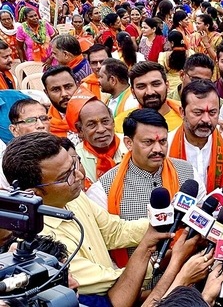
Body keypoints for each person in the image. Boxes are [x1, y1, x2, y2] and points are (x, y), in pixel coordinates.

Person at [2, 132, 170, 306]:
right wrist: (164, 260)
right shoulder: (40, 246)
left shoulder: (74, 196)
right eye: (65, 176)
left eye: (74, 164)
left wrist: (167, 221)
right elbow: (112, 282)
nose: (79, 176)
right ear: (33, 194)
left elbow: (115, 231)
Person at [87, 109, 205, 268]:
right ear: (128, 143)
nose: (158, 149)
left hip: (186, 281)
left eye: (163, 141)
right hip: (135, 286)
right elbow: (101, 248)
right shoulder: (103, 189)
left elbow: (203, 223)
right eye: (148, 142)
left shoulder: (189, 174)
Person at [167, 80, 223, 193]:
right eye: (198, 112)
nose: (206, 120)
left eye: (212, 113)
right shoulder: (166, 144)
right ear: (182, 112)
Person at [65, 88, 126, 187]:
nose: (101, 129)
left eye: (105, 121)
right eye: (92, 124)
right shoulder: (75, 159)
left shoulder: (132, 145)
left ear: (113, 122)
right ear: (80, 130)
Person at [114, 61, 183, 133]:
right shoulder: (120, 125)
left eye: (156, 84)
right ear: (133, 92)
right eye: (141, 87)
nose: (150, 92)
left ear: (167, 86)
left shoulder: (187, 119)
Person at [41, 66, 80, 144]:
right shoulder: (44, 127)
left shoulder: (95, 112)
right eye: (56, 90)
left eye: (68, 87)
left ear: (78, 85)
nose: (64, 94)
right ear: (46, 93)